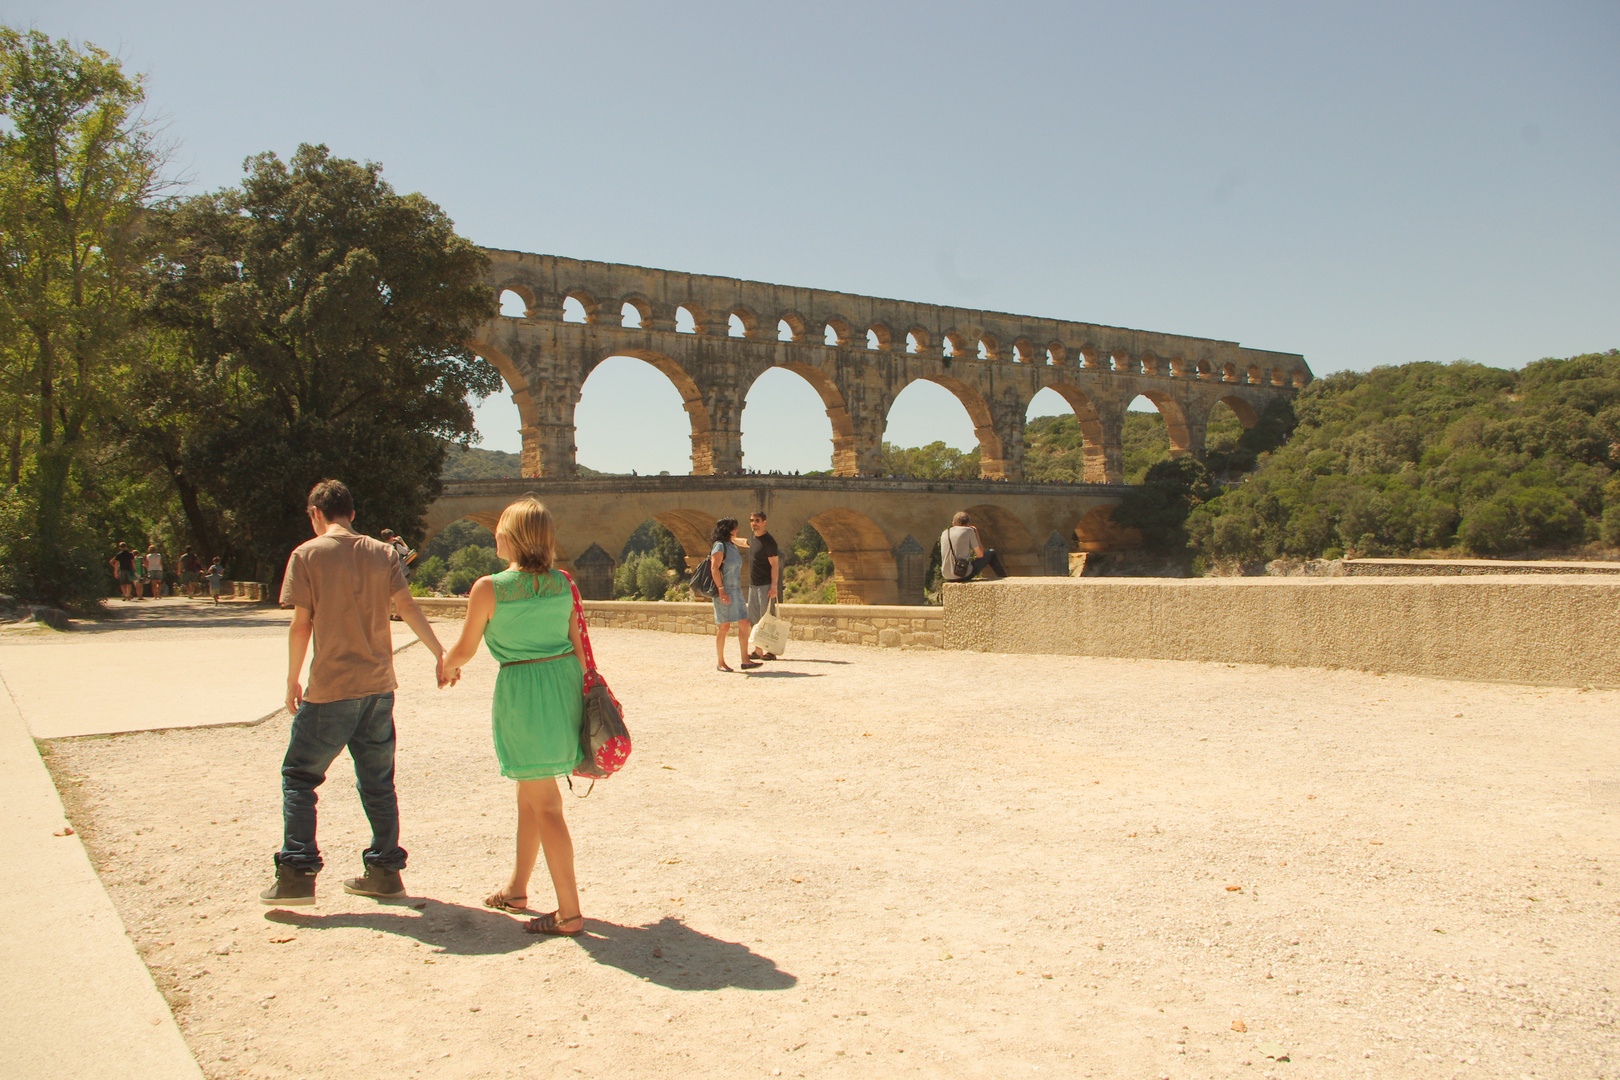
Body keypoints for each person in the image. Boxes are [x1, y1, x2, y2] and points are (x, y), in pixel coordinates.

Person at [260, 479, 450, 907]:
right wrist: (440, 652)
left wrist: (292, 679)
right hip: (379, 688)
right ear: (352, 513)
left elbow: (301, 624)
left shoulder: (306, 555)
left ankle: (296, 874)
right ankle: (385, 873)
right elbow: (408, 606)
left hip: (332, 688)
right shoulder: (382, 552)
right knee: (379, 784)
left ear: (315, 513)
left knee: (300, 777)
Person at [438, 497, 587, 936]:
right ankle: (517, 889)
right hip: (562, 687)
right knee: (530, 795)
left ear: (514, 537)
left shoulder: (489, 587)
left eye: (500, 528)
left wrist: (447, 664)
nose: (494, 535)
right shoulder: (564, 583)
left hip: (524, 692)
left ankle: (570, 914)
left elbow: (465, 649)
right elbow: (577, 643)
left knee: (547, 806)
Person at [708, 517, 757, 671]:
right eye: (734, 528)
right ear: (728, 530)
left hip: (736, 590)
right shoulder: (719, 546)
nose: (737, 530)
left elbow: (745, 542)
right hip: (725, 590)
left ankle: (745, 659)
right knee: (724, 627)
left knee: (744, 623)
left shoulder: (732, 545)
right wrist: (721, 590)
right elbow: (714, 569)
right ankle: (720, 662)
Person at [744, 510, 781, 661]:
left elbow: (775, 565)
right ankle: (758, 651)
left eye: (757, 520)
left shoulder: (769, 542)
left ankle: (771, 651)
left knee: (767, 618)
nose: (754, 523)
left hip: (765, 586)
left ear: (764, 522)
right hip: (753, 586)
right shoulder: (753, 538)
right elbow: (744, 543)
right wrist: (729, 538)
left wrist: (774, 586)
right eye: (752, 520)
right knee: (754, 619)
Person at [940, 510, 1008, 583]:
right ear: (968, 524)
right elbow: (980, 554)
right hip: (963, 574)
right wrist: (976, 534)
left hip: (946, 575)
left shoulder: (945, 533)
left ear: (953, 523)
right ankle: (1005, 581)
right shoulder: (969, 530)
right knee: (992, 553)